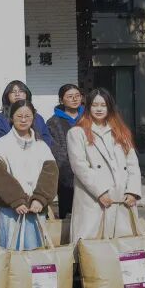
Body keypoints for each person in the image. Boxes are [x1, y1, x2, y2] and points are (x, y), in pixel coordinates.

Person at [67, 88, 142, 240]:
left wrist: (133, 191)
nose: (99, 109)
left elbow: (132, 164)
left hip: (121, 198)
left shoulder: (121, 132)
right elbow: (79, 166)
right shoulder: (77, 132)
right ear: (88, 107)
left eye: (103, 105)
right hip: (94, 198)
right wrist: (100, 192)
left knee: (123, 244)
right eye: (95, 105)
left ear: (110, 107)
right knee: (92, 246)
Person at [0, 100, 59, 250]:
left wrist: (40, 199)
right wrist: (16, 200)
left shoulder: (41, 145)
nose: (23, 120)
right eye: (19, 116)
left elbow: (50, 174)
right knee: (13, 254)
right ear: (11, 117)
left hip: (36, 208)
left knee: (36, 254)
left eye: (27, 116)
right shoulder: (1, 145)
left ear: (33, 118)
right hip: (11, 209)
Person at [47, 83, 84, 218]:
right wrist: (66, 166)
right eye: (70, 96)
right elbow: (55, 148)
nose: (74, 99)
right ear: (61, 100)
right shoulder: (53, 122)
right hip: (66, 174)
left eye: (77, 96)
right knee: (68, 213)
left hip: (90, 171)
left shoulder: (88, 118)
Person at [0, 80, 53, 144]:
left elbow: (47, 139)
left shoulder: (38, 117)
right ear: (7, 96)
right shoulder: (0, 119)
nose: (17, 94)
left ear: (27, 94)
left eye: (21, 91)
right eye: (13, 92)